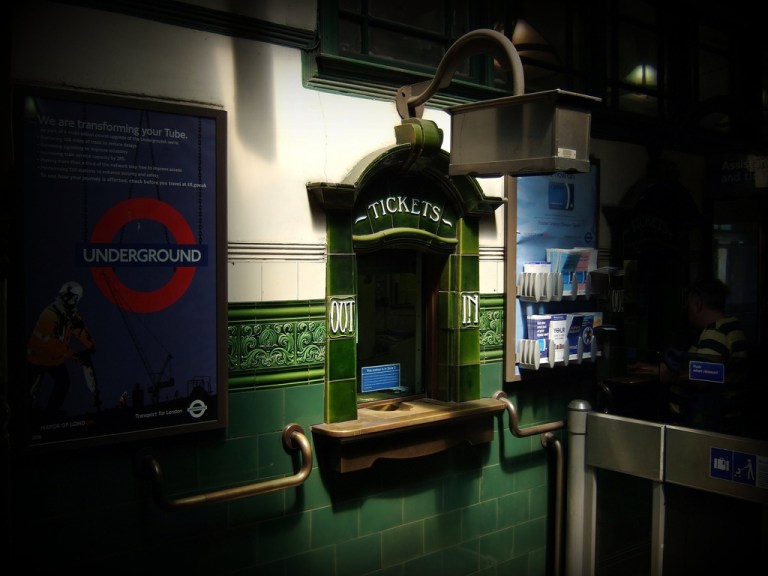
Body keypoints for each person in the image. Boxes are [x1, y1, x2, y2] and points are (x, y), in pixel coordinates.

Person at [631, 277, 748, 431]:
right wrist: (657, 369)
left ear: (697, 304)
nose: (687, 310)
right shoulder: (731, 326)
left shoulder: (715, 332)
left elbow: (702, 378)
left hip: (706, 425)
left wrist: (668, 374)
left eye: (689, 304)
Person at [27, 280, 99, 420]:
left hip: (54, 359)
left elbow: (80, 330)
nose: (74, 301)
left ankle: (50, 414)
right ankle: (32, 417)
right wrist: (73, 354)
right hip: (37, 358)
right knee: (31, 390)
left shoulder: (70, 314)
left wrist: (91, 345)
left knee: (63, 382)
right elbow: (49, 341)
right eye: (73, 298)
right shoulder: (50, 313)